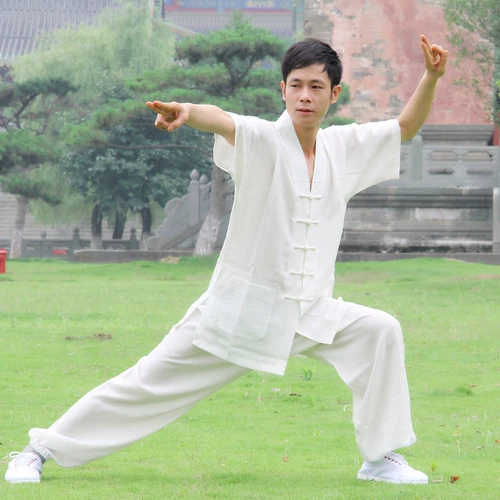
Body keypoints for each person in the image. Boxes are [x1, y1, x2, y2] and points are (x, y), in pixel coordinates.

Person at [5, 34, 448, 486]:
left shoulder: (343, 148)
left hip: (311, 310)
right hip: (242, 312)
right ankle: (37, 451)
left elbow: (404, 127)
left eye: (316, 87)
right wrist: (187, 111)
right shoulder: (262, 138)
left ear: (333, 94)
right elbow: (222, 120)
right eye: (296, 85)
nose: (304, 96)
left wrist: (431, 77)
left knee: (379, 331)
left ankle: (379, 458)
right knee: (148, 383)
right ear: (282, 89)